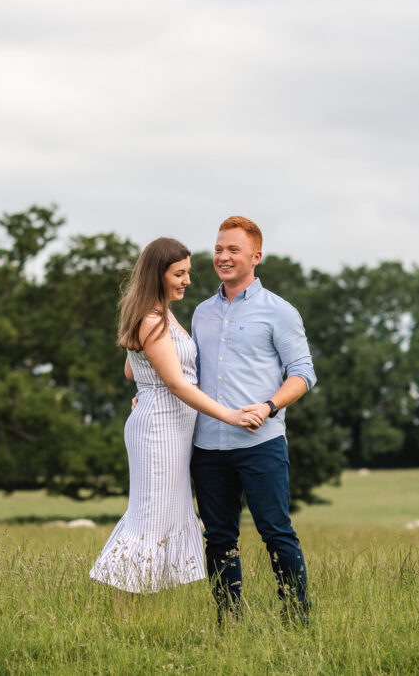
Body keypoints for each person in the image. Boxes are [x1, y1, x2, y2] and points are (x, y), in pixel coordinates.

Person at [89, 237, 264, 595]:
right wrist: (230, 416)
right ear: (158, 275)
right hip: (160, 428)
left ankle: (147, 605)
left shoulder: (160, 314)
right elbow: (177, 384)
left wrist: (146, 389)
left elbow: (131, 370)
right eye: (179, 273)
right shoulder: (152, 320)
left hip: (168, 423)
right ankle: (128, 609)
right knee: (152, 514)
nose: (187, 280)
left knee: (168, 512)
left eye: (187, 272)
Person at [190, 216, 316, 625]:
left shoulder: (279, 312)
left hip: (261, 443)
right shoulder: (201, 313)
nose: (223, 257)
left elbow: (303, 373)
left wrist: (269, 405)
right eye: (218, 249)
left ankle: (297, 620)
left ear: (255, 257)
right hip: (207, 446)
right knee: (219, 538)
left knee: (276, 533)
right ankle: (230, 621)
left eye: (233, 250)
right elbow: (186, 374)